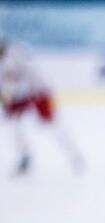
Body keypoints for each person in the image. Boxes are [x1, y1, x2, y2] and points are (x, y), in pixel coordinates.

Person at [0, 37, 84, 176]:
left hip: (37, 91)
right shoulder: (11, 56)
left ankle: (73, 154)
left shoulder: (13, 56)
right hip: (23, 94)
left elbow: (12, 78)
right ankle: (25, 156)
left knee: (51, 124)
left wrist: (7, 95)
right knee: (15, 123)